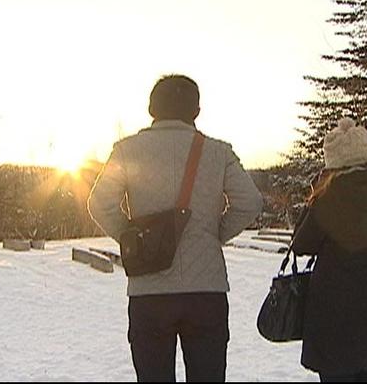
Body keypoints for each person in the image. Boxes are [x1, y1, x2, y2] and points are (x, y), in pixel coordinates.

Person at [87, 74, 263, 382]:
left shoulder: (127, 150)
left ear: (152, 108)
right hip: (206, 292)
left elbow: (99, 203)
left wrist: (133, 239)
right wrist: (214, 234)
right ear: (196, 110)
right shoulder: (218, 152)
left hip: (150, 291)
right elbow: (249, 202)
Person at [291, 117, 367, 382]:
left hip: (338, 324)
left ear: (333, 162)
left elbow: (301, 244)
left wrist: (316, 193)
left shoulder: (330, 197)